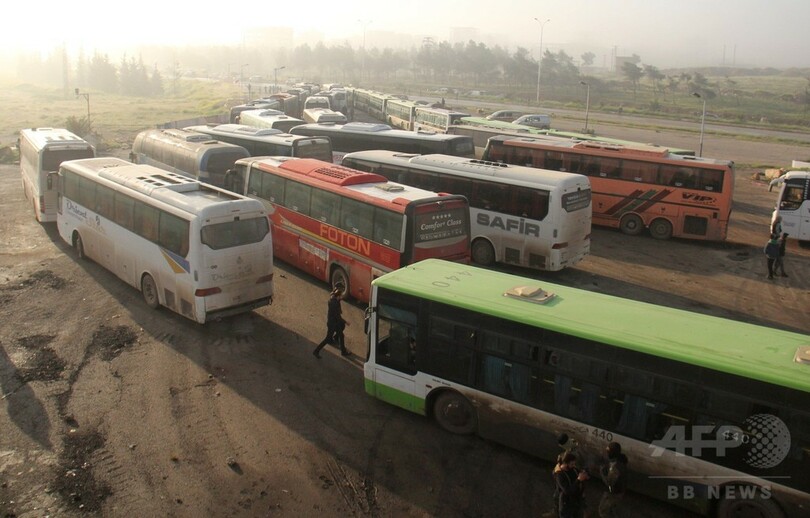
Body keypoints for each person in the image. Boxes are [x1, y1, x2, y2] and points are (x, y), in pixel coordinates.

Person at [312, 284, 350, 358]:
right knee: (328, 338)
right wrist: (346, 322)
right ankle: (316, 351)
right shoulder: (334, 303)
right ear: (338, 296)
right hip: (333, 324)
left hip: (333, 322)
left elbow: (334, 294)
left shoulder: (334, 299)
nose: (342, 297)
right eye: (341, 296)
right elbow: (337, 316)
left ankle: (342, 350)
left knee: (341, 333)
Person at [554, 452, 589, 518]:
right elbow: (567, 491)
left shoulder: (574, 470)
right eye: (572, 464)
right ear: (565, 464)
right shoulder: (560, 475)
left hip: (576, 502)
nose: (573, 466)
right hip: (566, 504)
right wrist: (578, 480)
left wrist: (585, 476)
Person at [598, 442, 628, 518]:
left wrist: (602, 470)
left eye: (608, 451)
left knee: (603, 511)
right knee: (613, 510)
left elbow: (609, 482)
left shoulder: (615, 468)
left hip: (613, 493)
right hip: (619, 490)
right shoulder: (621, 460)